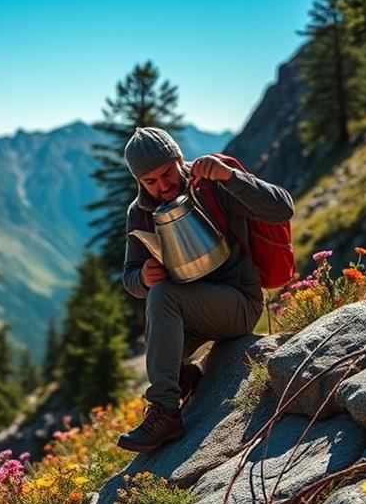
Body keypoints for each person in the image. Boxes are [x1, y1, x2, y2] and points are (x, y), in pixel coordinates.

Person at [116, 127, 294, 454]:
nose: (163, 186)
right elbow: (129, 279)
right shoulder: (140, 214)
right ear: (139, 181)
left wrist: (232, 178)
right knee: (159, 301)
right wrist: (141, 276)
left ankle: (166, 413)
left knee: (163, 296)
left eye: (167, 173)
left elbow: (282, 208)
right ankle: (186, 380)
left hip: (239, 302)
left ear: (180, 159)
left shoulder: (213, 183)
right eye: (150, 181)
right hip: (193, 314)